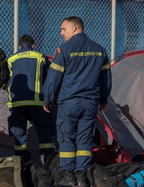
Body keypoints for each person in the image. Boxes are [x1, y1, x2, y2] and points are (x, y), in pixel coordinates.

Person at [42, 16, 112, 187]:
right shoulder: (100, 50)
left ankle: (68, 177)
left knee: (66, 138)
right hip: (90, 103)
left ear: (74, 29)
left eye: (63, 29)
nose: (61, 33)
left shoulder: (64, 50)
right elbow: (106, 79)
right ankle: (82, 177)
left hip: (69, 103)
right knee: (84, 139)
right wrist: (103, 99)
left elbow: (53, 79)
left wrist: (47, 99)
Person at [6, 34, 56, 164]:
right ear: (33, 46)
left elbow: (8, 81)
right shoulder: (40, 57)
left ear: (19, 46)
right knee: (44, 130)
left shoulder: (11, 59)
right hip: (36, 101)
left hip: (17, 102)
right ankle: (49, 161)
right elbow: (50, 77)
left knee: (19, 133)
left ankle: (21, 162)